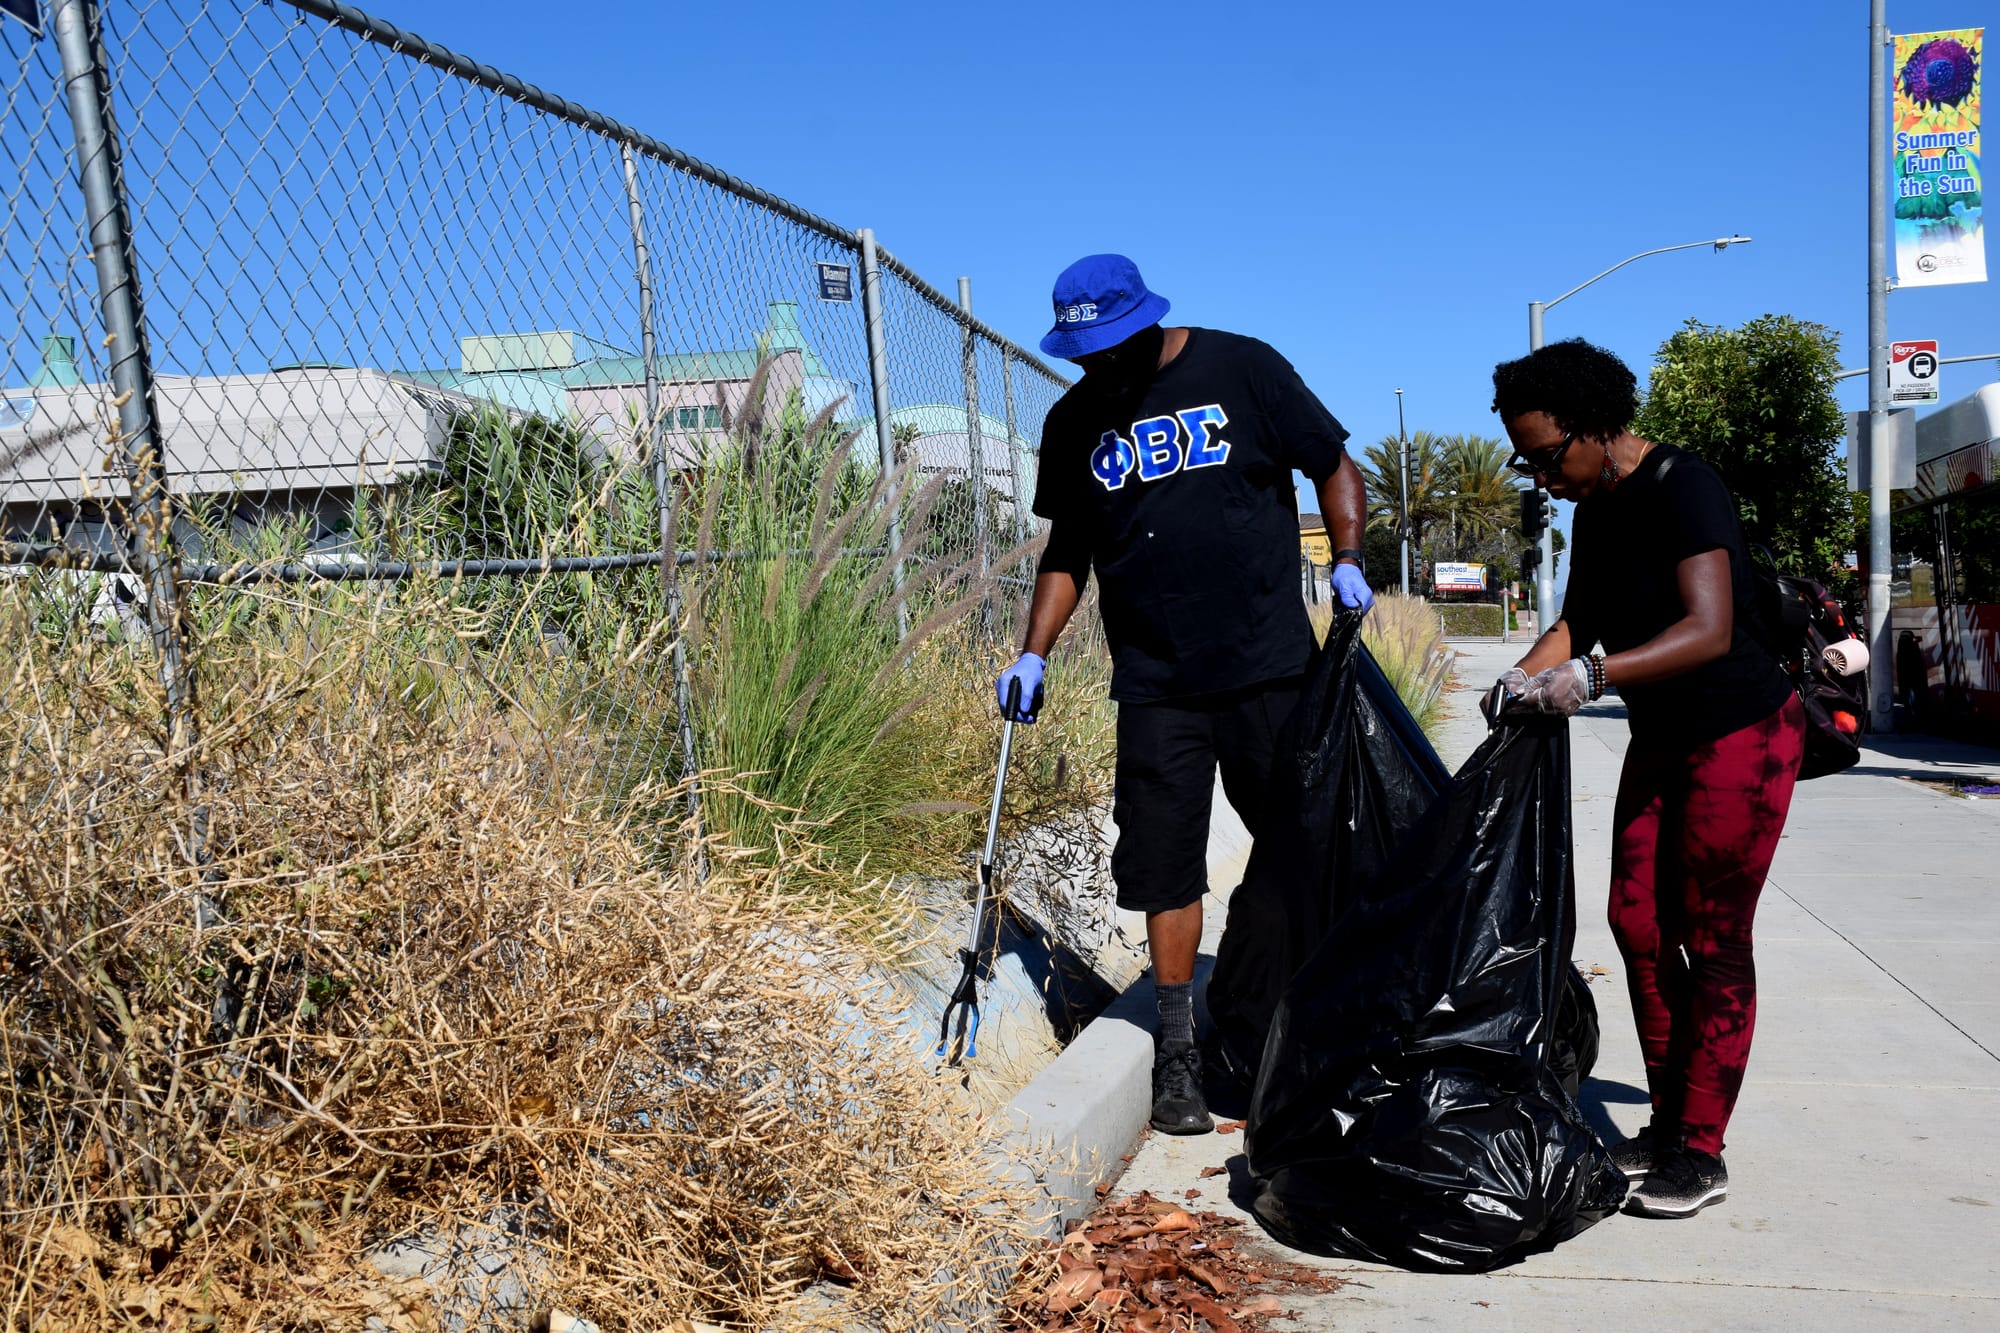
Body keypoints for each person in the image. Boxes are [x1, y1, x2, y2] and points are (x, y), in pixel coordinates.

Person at [994, 254, 1372, 1135]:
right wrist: (1033, 652)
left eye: (1110, 347)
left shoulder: (1243, 367)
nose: (1099, 365)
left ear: (1146, 320)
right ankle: (1178, 1052)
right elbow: (1065, 553)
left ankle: (1310, 1023)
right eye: (1082, 352)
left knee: (1298, 848)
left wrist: (1348, 560)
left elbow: (1332, 465)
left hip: (1269, 663)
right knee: (1165, 863)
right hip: (1157, 680)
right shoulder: (1075, 419)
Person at [1484, 338, 1806, 1219]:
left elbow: (1709, 627)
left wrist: (1592, 678)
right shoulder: (1595, 511)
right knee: (1635, 921)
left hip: (1740, 731)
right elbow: (1578, 617)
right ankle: (1667, 1123)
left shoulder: (1683, 486)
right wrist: (1521, 675)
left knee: (1715, 932)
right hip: (1664, 735)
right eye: (1527, 458)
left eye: (1548, 454)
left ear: (1594, 426)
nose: (1540, 474)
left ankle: (1701, 1147)